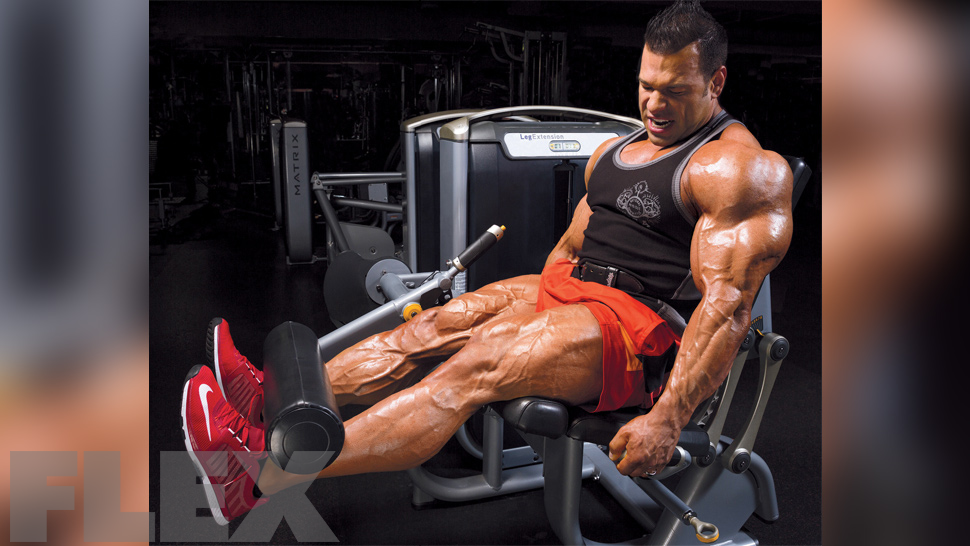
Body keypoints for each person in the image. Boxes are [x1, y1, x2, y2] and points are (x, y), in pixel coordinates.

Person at [180, 0, 794, 525]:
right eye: (646, 86)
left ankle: (256, 477)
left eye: (675, 91)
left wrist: (667, 419)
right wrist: (537, 307)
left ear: (716, 82)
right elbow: (571, 246)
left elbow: (727, 309)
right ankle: (264, 405)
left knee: (475, 365)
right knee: (431, 326)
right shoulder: (619, 148)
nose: (653, 104)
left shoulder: (738, 169)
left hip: (639, 334)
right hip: (577, 295)